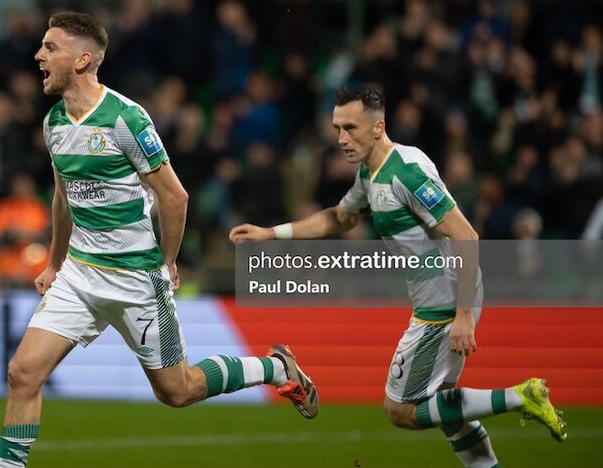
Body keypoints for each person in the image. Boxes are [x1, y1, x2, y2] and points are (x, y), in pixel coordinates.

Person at [0, 11, 319, 468]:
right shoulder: (54, 124)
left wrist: (166, 261)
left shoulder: (126, 118)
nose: (38, 55)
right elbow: (62, 199)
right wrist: (53, 263)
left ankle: (274, 367)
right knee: (22, 372)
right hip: (80, 276)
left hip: (136, 279)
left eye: (50, 48)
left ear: (83, 59)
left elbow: (175, 196)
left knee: (177, 391)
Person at [229, 85, 567, 467]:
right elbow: (340, 218)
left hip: (444, 303)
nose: (341, 138)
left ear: (378, 128)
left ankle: (522, 396)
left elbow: (466, 235)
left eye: (351, 128)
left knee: (399, 409)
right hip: (440, 300)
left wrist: (464, 314)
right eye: (337, 128)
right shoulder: (371, 174)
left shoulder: (406, 172)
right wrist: (271, 233)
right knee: (446, 409)